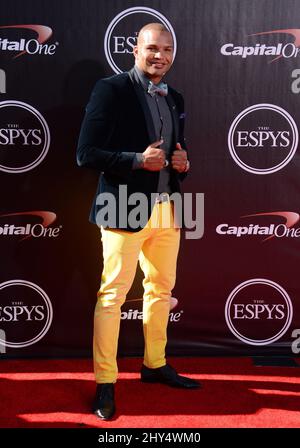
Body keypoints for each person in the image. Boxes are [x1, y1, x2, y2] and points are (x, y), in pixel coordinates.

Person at [77, 22, 200, 420]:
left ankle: (155, 364)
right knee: (112, 296)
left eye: (166, 50)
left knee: (161, 290)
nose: (159, 56)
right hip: (121, 206)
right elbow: (86, 153)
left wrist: (182, 165)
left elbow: (172, 155)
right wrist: (134, 160)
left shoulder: (175, 96)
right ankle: (106, 383)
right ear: (135, 49)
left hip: (167, 209)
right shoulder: (110, 90)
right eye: (152, 48)